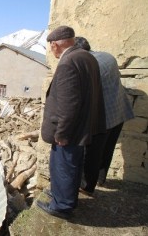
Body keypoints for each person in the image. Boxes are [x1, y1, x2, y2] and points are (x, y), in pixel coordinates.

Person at [37, 26, 106, 219]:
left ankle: (62, 206)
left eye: (52, 46)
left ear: (55, 45)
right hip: (81, 125)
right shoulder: (87, 57)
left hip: (70, 129)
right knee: (71, 165)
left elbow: (69, 103)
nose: (52, 50)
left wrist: (62, 133)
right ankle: (63, 195)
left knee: (64, 166)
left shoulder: (68, 62)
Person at [75, 36, 134, 194]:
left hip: (103, 117)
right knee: (107, 149)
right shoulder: (107, 57)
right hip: (119, 110)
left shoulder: (89, 66)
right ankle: (100, 179)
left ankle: (86, 187)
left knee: (92, 153)